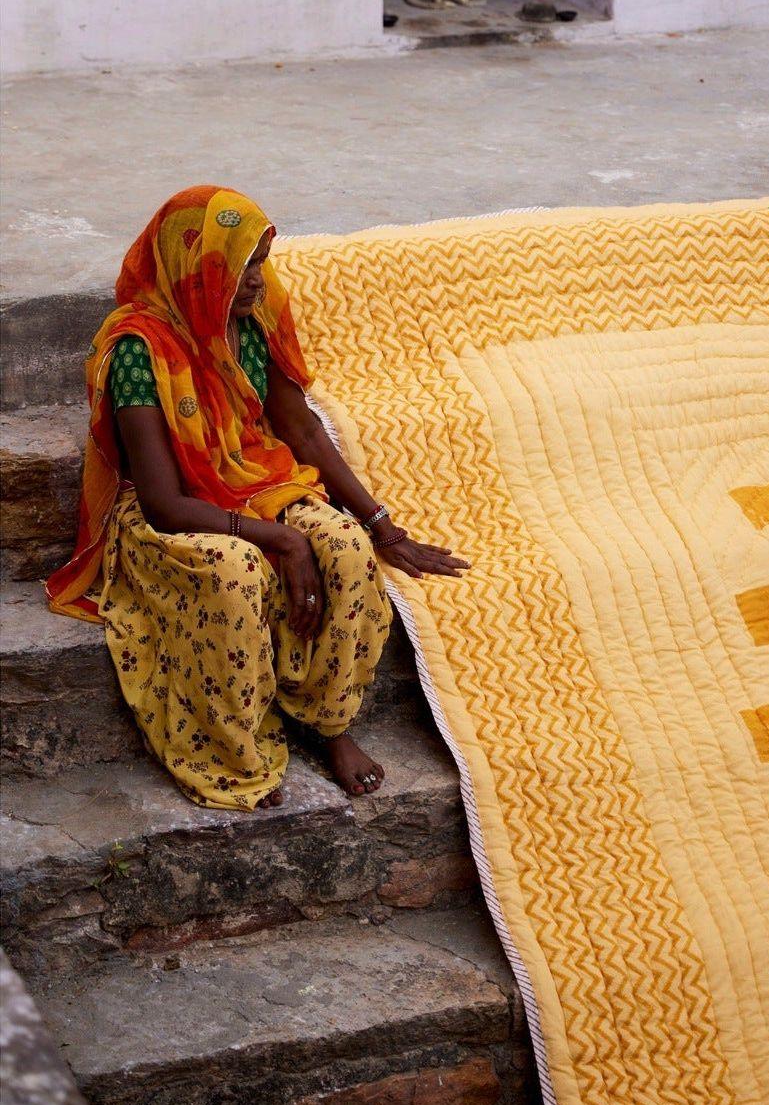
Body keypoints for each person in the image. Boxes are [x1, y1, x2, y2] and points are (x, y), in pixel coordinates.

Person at [46, 186, 468, 810]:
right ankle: (233, 748)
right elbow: (164, 502)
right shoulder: (139, 349)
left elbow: (301, 431)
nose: (255, 281)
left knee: (347, 548)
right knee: (236, 572)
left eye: (261, 263)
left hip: (254, 478)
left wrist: (382, 526)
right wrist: (281, 539)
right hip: (171, 511)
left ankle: (330, 724)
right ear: (194, 264)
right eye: (239, 266)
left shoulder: (254, 318)